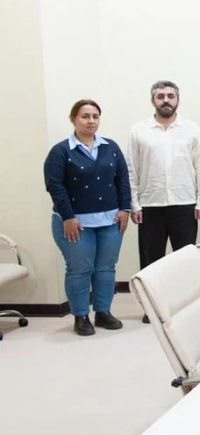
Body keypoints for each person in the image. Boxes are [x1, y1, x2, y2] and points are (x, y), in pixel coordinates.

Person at [43, 100, 130, 336]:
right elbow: (55, 185)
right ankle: (81, 316)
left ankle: (103, 312)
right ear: (73, 119)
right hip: (75, 223)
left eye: (95, 116)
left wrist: (125, 209)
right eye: (85, 116)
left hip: (110, 221)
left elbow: (123, 179)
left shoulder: (110, 147)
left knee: (106, 268)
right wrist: (68, 217)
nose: (91, 121)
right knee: (80, 269)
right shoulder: (61, 151)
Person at [128, 81, 200, 322]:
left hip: (185, 204)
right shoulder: (139, 131)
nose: (166, 100)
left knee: (185, 260)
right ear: (152, 100)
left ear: (178, 100)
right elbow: (132, 170)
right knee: (151, 261)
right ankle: (152, 309)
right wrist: (134, 204)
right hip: (150, 205)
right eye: (161, 96)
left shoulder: (191, 129)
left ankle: (185, 307)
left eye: (171, 96)